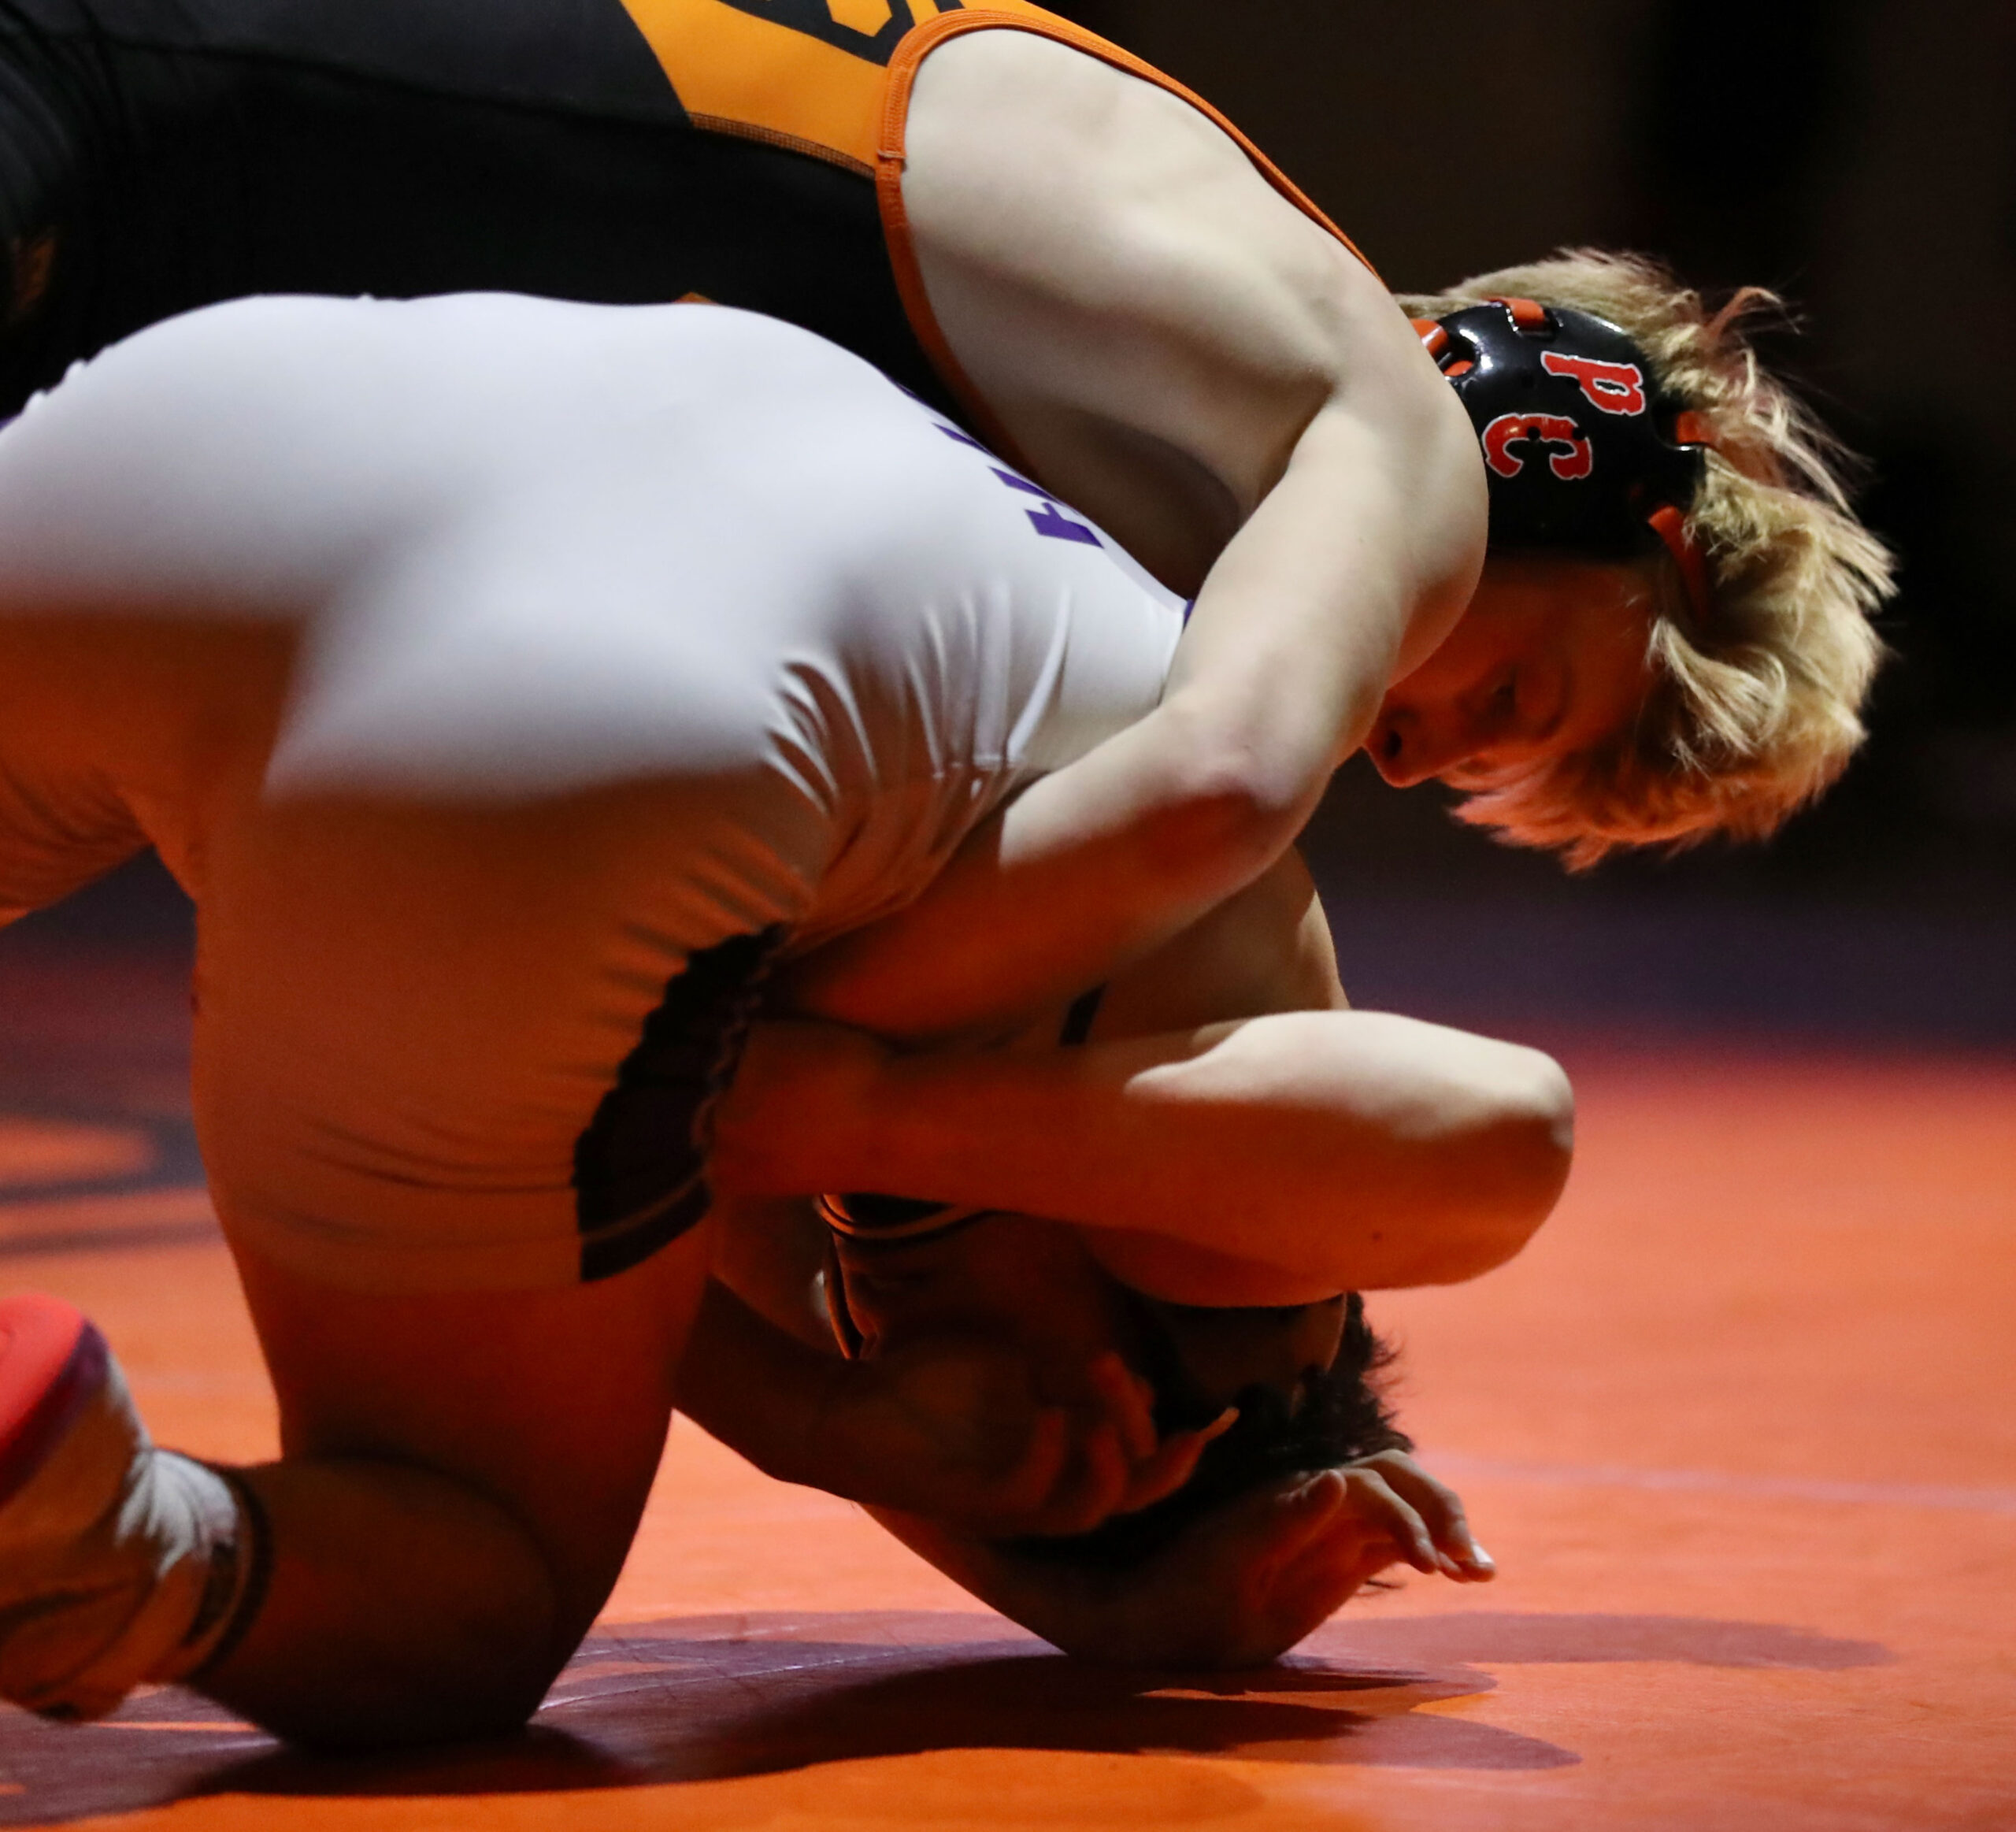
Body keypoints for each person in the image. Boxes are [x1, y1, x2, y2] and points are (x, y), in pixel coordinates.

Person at [0, 289, 1566, 1749]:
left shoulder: (864, 1186)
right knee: (475, 1592)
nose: (912, 1357)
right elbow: (1505, 1137)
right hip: (603, 719)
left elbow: (568, 1262)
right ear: (1142, 1401)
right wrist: (874, 1121)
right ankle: (105, 1538)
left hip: (223, 425)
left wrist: (836, 1426)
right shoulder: (1219, 1250)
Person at [0, 0, 1893, 1040]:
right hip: (113, 117)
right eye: (1511, 702)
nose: (1402, 745)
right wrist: (760, 1071)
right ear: (1597, 489)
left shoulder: (1177, 395)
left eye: (1453, 763)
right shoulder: (1380, 428)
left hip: (152, 240)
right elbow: (1213, 796)